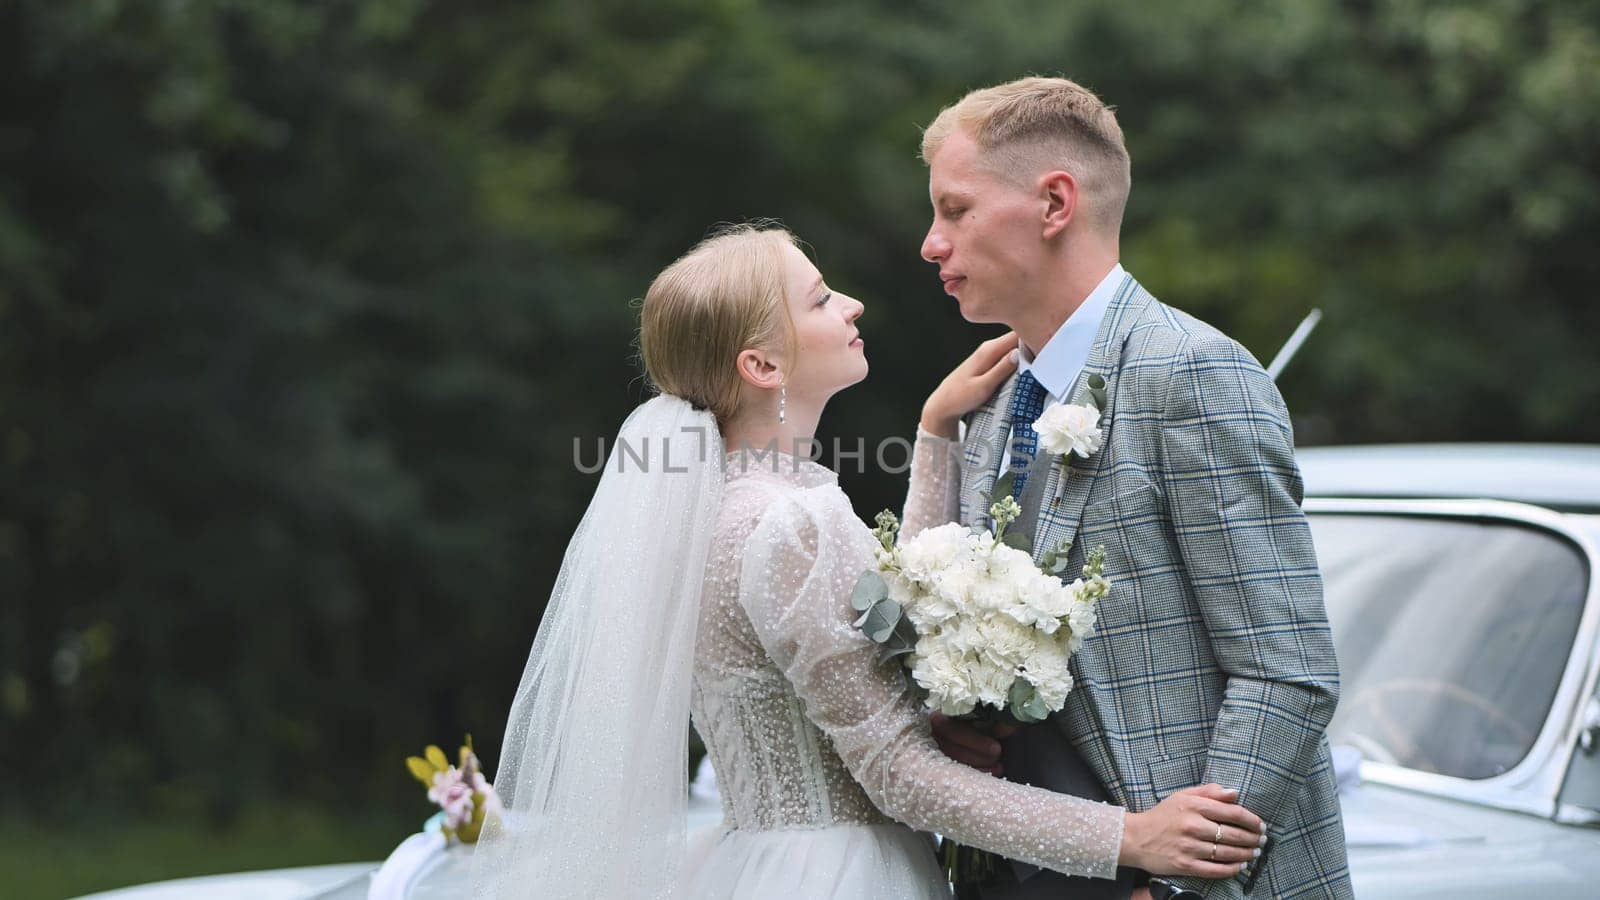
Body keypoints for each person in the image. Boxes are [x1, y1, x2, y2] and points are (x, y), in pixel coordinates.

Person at [467, 224, 1266, 899]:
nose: (850, 304)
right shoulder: (790, 522)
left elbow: (874, 621)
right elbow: (896, 772)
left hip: (762, 863)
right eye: (818, 299)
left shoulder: (719, 509)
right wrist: (1130, 837)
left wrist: (933, 435)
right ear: (762, 366)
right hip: (841, 871)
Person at [908, 77, 1353, 900]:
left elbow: (1287, 671)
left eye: (955, 209)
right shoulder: (994, 400)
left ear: (1054, 203)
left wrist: (1184, 883)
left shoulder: (1193, 372)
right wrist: (961, 720)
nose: (932, 244)